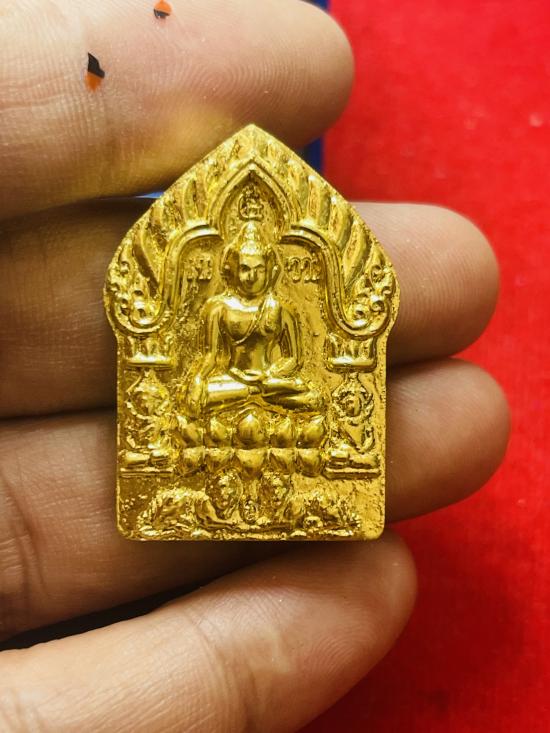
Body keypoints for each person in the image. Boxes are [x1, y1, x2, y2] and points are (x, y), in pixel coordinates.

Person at [0, 0, 509, 730]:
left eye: (254, 265)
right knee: (207, 397)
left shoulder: (274, 306)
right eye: (235, 265)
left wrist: (272, 385)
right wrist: (228, 387)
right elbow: (201, 373)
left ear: (267, 264)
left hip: (272, 408)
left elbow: (289, 369)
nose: (244, 273)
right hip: (219, 409)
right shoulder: (216, 307)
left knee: (296, 398)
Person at [185, 218, 323, 417]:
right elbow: (210, 357)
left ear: (270, 271)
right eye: (245, 269)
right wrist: (198, 379)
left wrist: (271, 375)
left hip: (268, 381)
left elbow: (293, 358)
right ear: (232, 270)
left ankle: (251, 394)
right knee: (199, 401)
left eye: (259, 270)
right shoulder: (219, 307)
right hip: (232, 379)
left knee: (313, 399)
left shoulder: (281, 308)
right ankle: (253, 394)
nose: (252, 277)